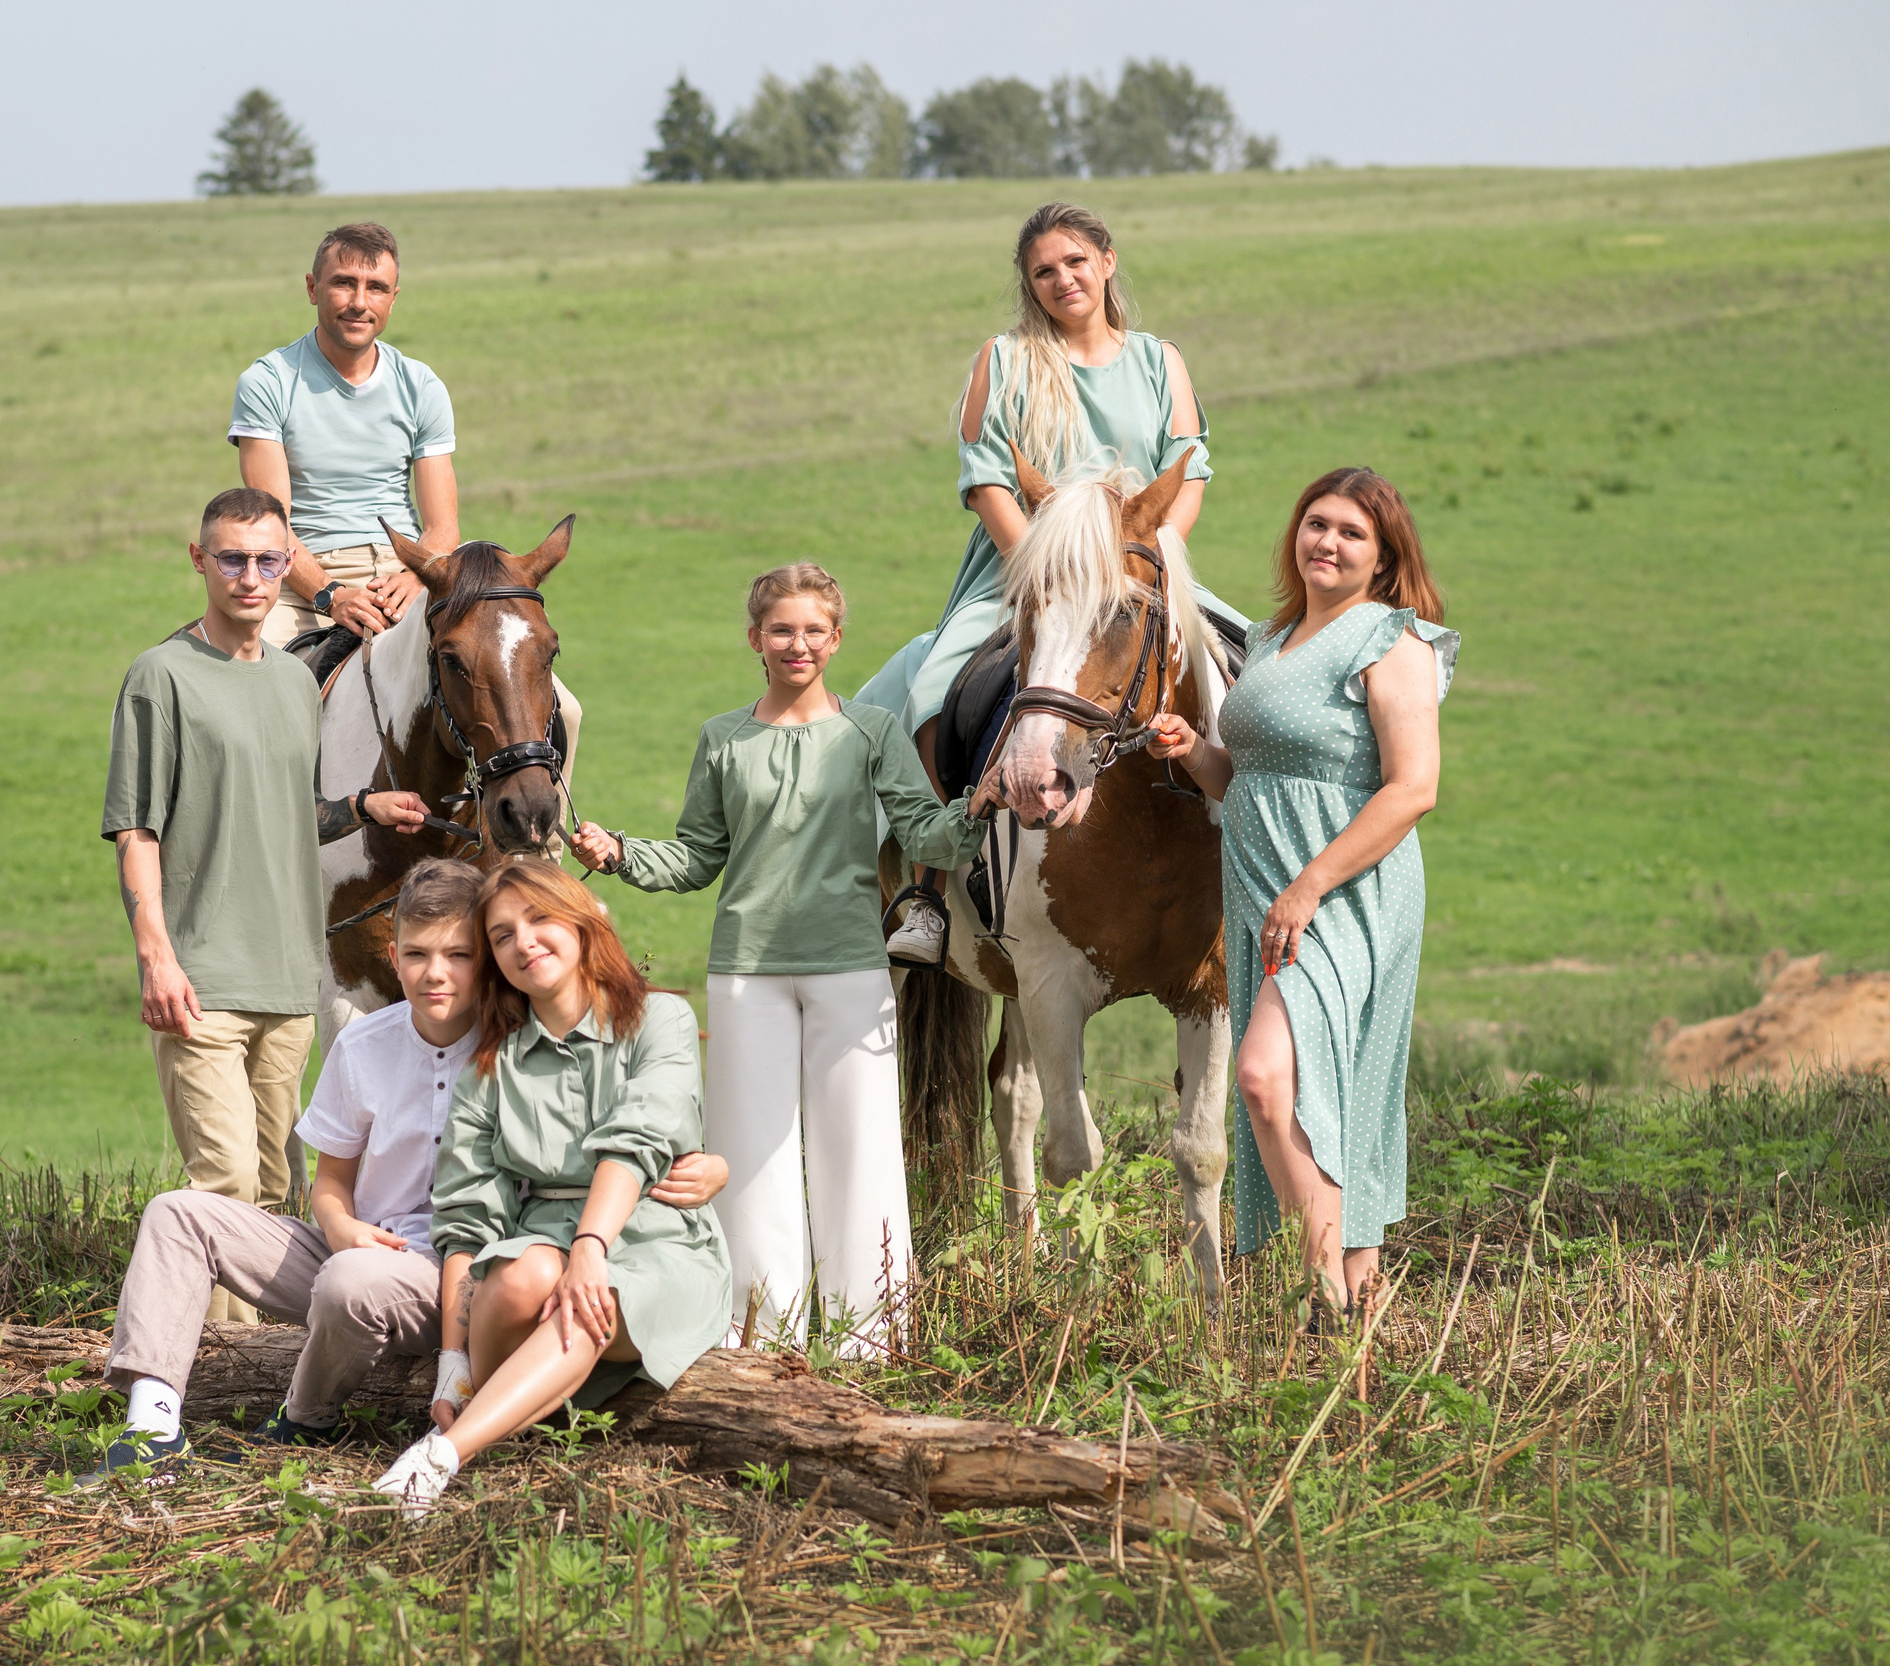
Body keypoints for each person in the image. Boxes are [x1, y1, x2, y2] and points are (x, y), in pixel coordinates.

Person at [87, 859, 734, 1483]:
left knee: (351, 1280)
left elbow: (606, 1127)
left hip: (458, 1271)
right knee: (179, 1213)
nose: (437, 973)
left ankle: (305, 1420)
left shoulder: (512, 1041)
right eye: (419, 954)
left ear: (485, 960)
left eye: (459, 954)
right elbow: (332, 1180)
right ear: (394, 959)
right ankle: (152, 1429)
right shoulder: (365, 1043)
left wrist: (706, 1167)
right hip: (364, 1246)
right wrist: (341, 1226)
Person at [569, 564, 987, 1355]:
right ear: (755, 638)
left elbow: (927, 836)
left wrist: (982, 804)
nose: (799, 644)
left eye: (815, 630)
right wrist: (619, 851)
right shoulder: (723, 739)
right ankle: (760, 1338)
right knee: (750, 1158)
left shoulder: (872, 732)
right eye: (783, 629)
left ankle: (873, 1340)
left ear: (836, 638)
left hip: (851, 969)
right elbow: (698, 857)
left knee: (859, 1151)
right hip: (746, 975)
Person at [858, 201, 1218, 965]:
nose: (1063, 280)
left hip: (1138, 574)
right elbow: (988, 479)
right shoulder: (1007, 358)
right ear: (1030, 284)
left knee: (1242, 670)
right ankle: (928, 885)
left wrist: (1145, 564)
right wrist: (1053, 571)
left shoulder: (1162, 361)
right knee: (934, 688)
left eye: (1075, 263)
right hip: (1020, 572)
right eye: (1043, 271)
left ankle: (1250, 856)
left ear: (1108, 262)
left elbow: (1189, 470)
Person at [104, 486, 431, 1323]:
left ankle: (255, 1370)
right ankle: (205, 1376)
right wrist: (156, 955)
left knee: (278, 1183)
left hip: (290, 978)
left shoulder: (295, 681)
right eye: (232, 559)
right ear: (200, 561)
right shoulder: (161, 676)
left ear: (287, 564)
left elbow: (285, 809)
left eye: (267, 560)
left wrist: (361, 809)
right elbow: (137, 827)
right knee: (222, 1187)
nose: (250, 577)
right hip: (203, 976)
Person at [1144, 468, 1455, 1323]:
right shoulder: (1276, 635)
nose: (1327, 542)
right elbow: (1241, 776)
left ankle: (1320, 1292)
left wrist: (1310, 886)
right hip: (1265, 885)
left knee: (1263, 1076)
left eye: (1352, 532)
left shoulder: (1393, 643)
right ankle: (1353, 1302)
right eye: (1316, 524)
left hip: (1344, 895)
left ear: (1385, 554)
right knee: (1308, 1090)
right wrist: (1188, 750)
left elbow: (1412, 788)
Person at [371, 862, 733, 1516]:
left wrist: (591, 1248)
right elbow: (468, 1213)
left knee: (586, 1297)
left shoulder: (661, 1020)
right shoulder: (493, 1062)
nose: (524, 941)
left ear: (581, 919)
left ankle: (441, 1456)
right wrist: (453, 1356)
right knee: (519, 1271)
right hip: (547, 1240)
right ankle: (492, 1411)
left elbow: (637, 1136)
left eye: (539, 918)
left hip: (655, 1241)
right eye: (503, 934)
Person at [229, 221, 458, 645]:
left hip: (406, 574)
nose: (359, 302)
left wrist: (415, 577)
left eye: (376, 288)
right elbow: (272, 524)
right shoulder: (267, 382)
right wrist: (330, 594)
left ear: (393, 299)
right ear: (313, 288)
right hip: (303, 583)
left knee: (559, 710)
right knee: (248, 681)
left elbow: (443, 528)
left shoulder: (422, 385)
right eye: (343, 283)